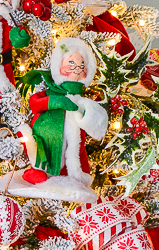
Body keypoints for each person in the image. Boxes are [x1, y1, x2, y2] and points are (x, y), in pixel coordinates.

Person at [21, 37, 108, 185]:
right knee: (41, 146)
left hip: (74, 147)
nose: (77, 67)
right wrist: (55, 102)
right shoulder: (52, 91)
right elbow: (34, 103)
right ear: (59, 66)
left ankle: (75, 175)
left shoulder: (82, 101)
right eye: (71, 62)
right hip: (45, 139)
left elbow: (97, 125)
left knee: (75, 151)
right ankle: (38, 170)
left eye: (82, 63)